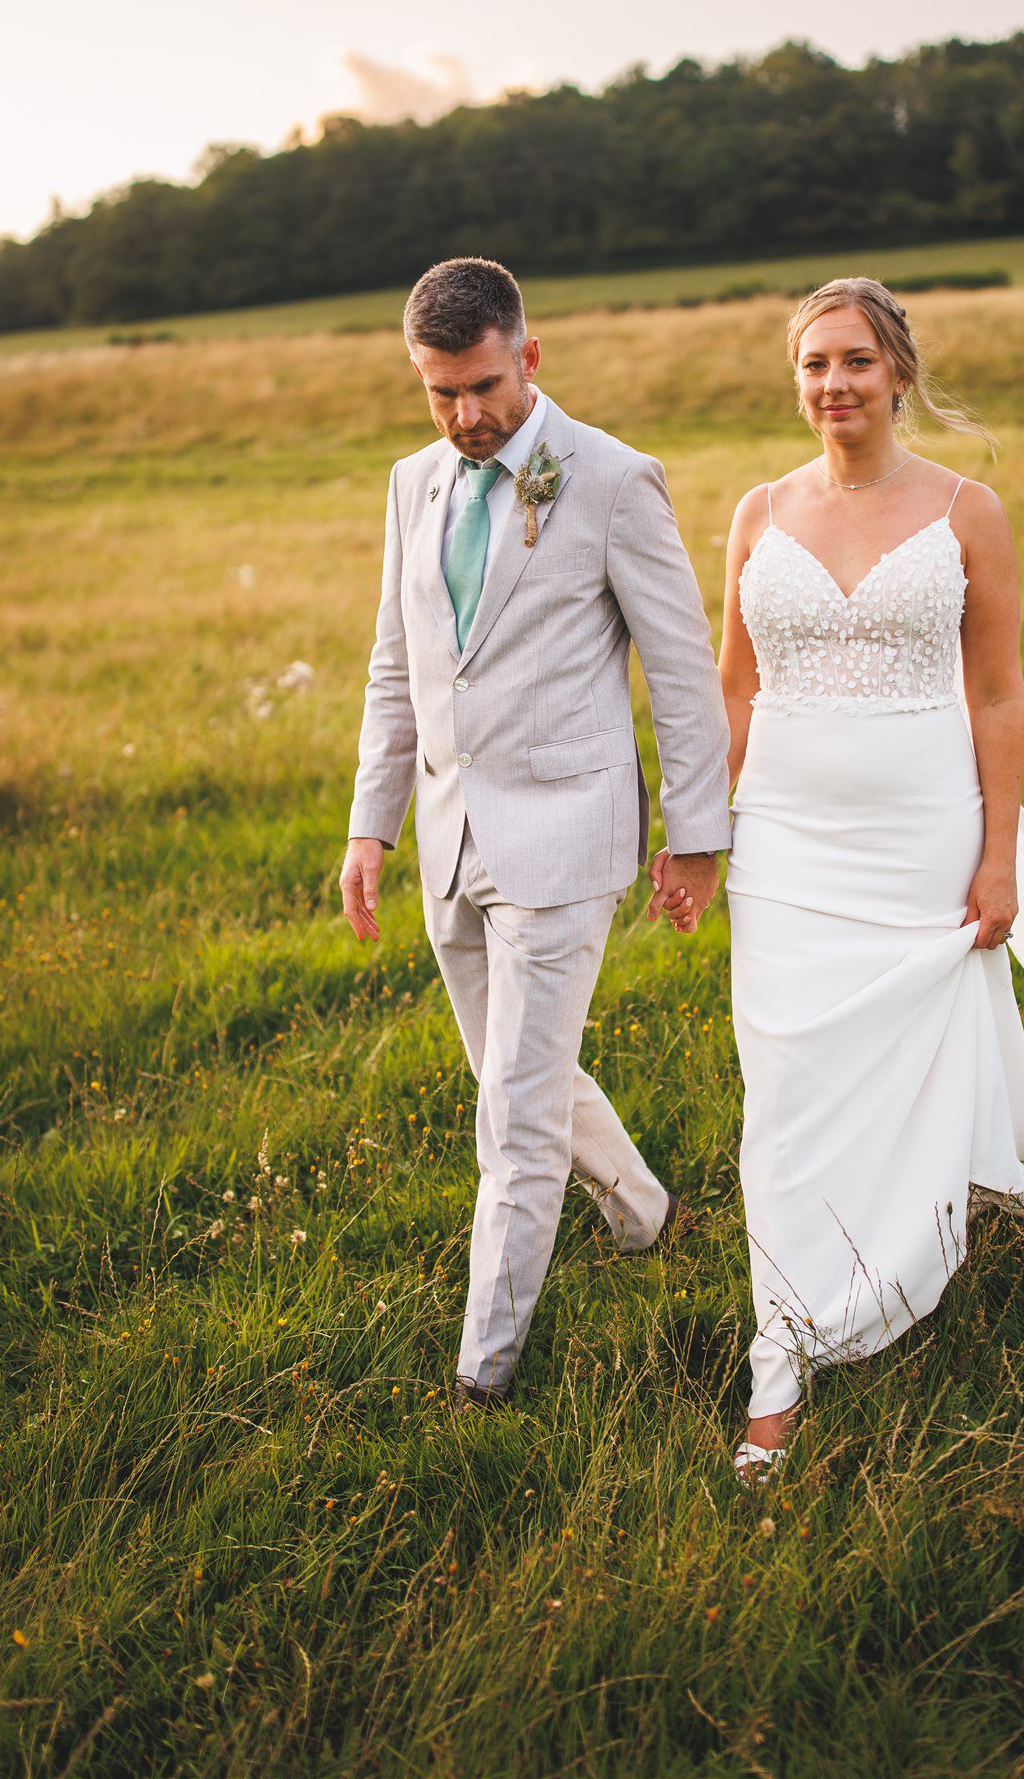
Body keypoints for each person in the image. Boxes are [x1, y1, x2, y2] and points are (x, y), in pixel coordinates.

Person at [674, 275, 1024, 1483]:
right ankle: (787, 1339)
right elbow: (734, 687)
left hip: (923, 831)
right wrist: (704, 831)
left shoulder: (965, 509)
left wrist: (994, 853)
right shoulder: (757, 511)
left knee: (926, 1033)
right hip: (781, 840)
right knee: (782, 1081)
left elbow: (995, 692)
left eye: (856, 362)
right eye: (814, 364)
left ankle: (935, 1209)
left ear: (900, 374)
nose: (834, 384)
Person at [340, 257, 729, 1409]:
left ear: (531, 355)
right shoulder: (413, 482)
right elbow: (395, 664)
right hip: (452, 842)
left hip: (566, 834)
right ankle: (648, 1213)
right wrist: (374, 824)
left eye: (484, 386)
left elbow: (681, 668)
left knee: (510, 1111)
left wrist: (696, 833)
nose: (465, 416)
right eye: (439, 392)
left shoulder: (610, 479)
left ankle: (482, 1373)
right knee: (524, 1076)